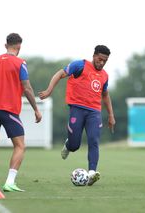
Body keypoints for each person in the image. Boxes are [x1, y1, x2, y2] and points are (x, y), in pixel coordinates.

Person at [0, 33, 42, 192]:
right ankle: (10, 182)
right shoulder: (20, 63)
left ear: (6, 45)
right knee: (20, 146)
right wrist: (36, 109)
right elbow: (27, 87)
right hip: (8, 110)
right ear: (19, 47)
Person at [39, 45, 115, 186]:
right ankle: (68, 145)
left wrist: (111, 115)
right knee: (75, 145)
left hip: (94, 112)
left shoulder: (105, 75)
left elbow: (105, 94)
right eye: (100, 59)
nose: (102, 63)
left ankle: (92, 172)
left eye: (105, 60)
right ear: (94, 56)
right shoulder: (79, 65)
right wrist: (49, 90)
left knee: (94, 140)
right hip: (77, 109)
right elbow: (59, 74)